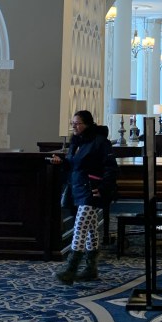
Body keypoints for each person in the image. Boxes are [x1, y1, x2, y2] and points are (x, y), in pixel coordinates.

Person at [51, 110, 118, 283]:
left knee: (80, 227)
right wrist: (62, 162)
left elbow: (111, 167)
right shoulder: (76, 142)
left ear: (87, 124)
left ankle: (71, 269)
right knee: (91, 229)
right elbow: (74, 165)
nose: (74, 126)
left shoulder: (100, 142)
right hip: (77, 188)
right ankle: (90, 268)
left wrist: (103, 188)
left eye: (77, 123)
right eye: (72, 123)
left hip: (91, 190)